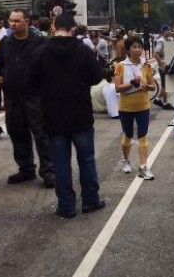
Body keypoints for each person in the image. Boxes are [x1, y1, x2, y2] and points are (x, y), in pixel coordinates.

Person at [33, 13, 105, 217]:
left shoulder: (41, 52)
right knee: (87, 159)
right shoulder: (83, 51)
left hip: (53, 115)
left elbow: (31, 81)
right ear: (74, 28)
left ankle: (66, 205)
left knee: (61, 163)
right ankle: (90, 200)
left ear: (54, 27)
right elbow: (96, 77)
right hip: (80, 113)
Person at [0, 9, 55, 188]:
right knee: (17, 133)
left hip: (35, 97)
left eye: (17, 21)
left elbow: (50, 67)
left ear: (26, 22)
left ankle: (49, 171)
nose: (12, 24)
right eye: (11, 21)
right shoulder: (5, 42)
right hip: (12, 97)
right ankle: (26, 169)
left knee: (41, 134)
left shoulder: (40, 42)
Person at [114, 35, 156, 180]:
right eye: (134, 47)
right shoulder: (120, 66)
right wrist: (132, 83)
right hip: (126, 107)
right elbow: (118, 88)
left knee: (143, 135)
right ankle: (126, 161)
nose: (138, 50)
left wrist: (147, 86)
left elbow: (153, 86)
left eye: (140, 47)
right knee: (128, 135)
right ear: (128, 50)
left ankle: (143, 167)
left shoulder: (147, 66)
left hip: (143, 106)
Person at [152, 24, 174, 110]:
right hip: (163, 66)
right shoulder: (161, 41)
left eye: (170, 30)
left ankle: (158, 99)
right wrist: (161, 64)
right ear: (164, 31)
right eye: (168, 30)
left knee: (165, 84)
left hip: (169, 65)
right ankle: (164, 102)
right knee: (165, 84)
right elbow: (155, 54)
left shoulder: (169, 39)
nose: (170, 31)